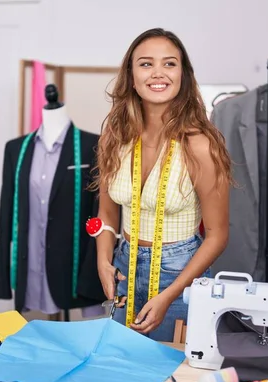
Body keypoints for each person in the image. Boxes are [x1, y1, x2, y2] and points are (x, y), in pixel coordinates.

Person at [91, 27, 233, 341]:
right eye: (146, 63)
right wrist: (103, 259)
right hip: (123, 264)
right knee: (120, 372)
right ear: (130, 74)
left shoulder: (199, 145)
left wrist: (170, 295)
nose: (158, 72)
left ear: (183, 74)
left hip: (180, 271)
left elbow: (218, 235)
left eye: (169, 63)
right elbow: (103, 215)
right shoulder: (114, 138)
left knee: (172, 378)